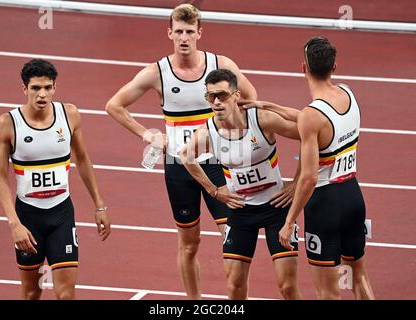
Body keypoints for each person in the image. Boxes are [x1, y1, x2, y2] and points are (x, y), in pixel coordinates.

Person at [105, 4, 256, 299]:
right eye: (179, 32)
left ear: (199, 33)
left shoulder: (220, 65)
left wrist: (236, 134)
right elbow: (114, 105)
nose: (184, 38)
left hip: (219, 162)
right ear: (170, 33)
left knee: (233, 240)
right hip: (178, 167)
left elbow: (251, 98)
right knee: (189, 243)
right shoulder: (157, 73)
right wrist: (147, 134)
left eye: (189, 32)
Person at [180, 69, 302, 300]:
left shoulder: (262, 120)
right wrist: (212, 190)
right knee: (234, 286)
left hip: (276, 208)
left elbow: (310, 135)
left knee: (287, 286)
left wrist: (297, 183)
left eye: (222, 95)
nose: (216, 102)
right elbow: (185, 156)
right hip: (240, 212)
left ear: (236, 96)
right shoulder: (209, 132)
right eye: (211, 96)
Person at [0, 59, 111, 300]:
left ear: (55, 88)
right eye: (36, 88)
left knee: (66, 294)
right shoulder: (8, 124)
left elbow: (83, 159)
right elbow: (0, 177)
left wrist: (99, 205)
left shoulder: (69, 115)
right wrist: (14, 224)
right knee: (31, 293)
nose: (42, 94)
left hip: (61, 215)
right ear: (24, 89)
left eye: (48, 87)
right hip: (28, 217)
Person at [273, 36, 375, 300]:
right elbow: (319, 121)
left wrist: (289, 220)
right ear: (335, 67)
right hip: (353, 195)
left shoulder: (311, 116)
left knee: (328, 293)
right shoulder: (348, 93)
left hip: (325, 206)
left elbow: (307, 178)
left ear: (303, 68)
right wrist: (271, 107)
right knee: (359, 277)